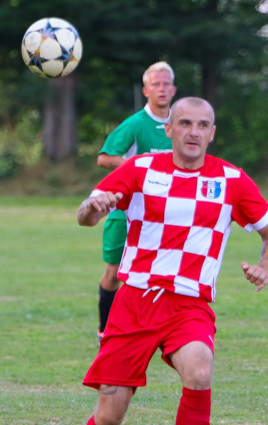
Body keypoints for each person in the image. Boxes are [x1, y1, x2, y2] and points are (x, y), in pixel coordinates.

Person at [56, 97, 268, 425]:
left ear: (212, 133)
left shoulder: (232, 180)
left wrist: (266, 268)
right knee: (110, 413)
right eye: (185, 123)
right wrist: (92, 208)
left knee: (199, 369)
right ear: (169, 130)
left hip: (190, 304)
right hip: (135, 302)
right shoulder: (142, 169)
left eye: (202, 125)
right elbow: (85, 216)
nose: (194, 132)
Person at [94, 61, 177, 344]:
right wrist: (137, 165)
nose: (162, 89)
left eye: (166, 84)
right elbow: (104, 157)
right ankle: (104, 330)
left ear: (174, 89)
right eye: (156, 84)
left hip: (164, 215)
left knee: (160, 273)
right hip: (126, 212)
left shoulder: (180, 124)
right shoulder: (135, 125)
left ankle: (154, 331)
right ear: (145, 90)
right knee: (114, 272)